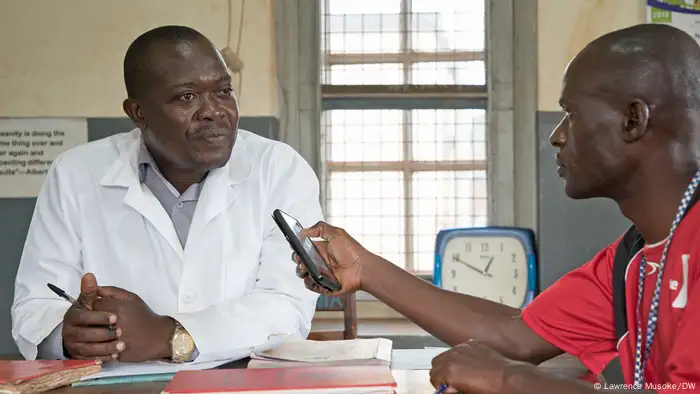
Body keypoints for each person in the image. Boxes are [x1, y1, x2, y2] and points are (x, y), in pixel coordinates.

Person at [294, 23, 700, 394]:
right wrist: (365, 268)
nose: (556, 137)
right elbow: (515, 336)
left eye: (571, 115)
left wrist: (507, 379)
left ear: (633, 119)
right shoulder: (632, 256)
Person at [11, 25, 322, 363]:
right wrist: (69, 336)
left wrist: (170, 335)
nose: (214, 110)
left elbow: (287, 305)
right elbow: (36, 304)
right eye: (186, 97)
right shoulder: (76, 173)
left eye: (224, 90)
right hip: (118, 386)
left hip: (240, 379)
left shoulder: (278, 168)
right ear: (138, 113)